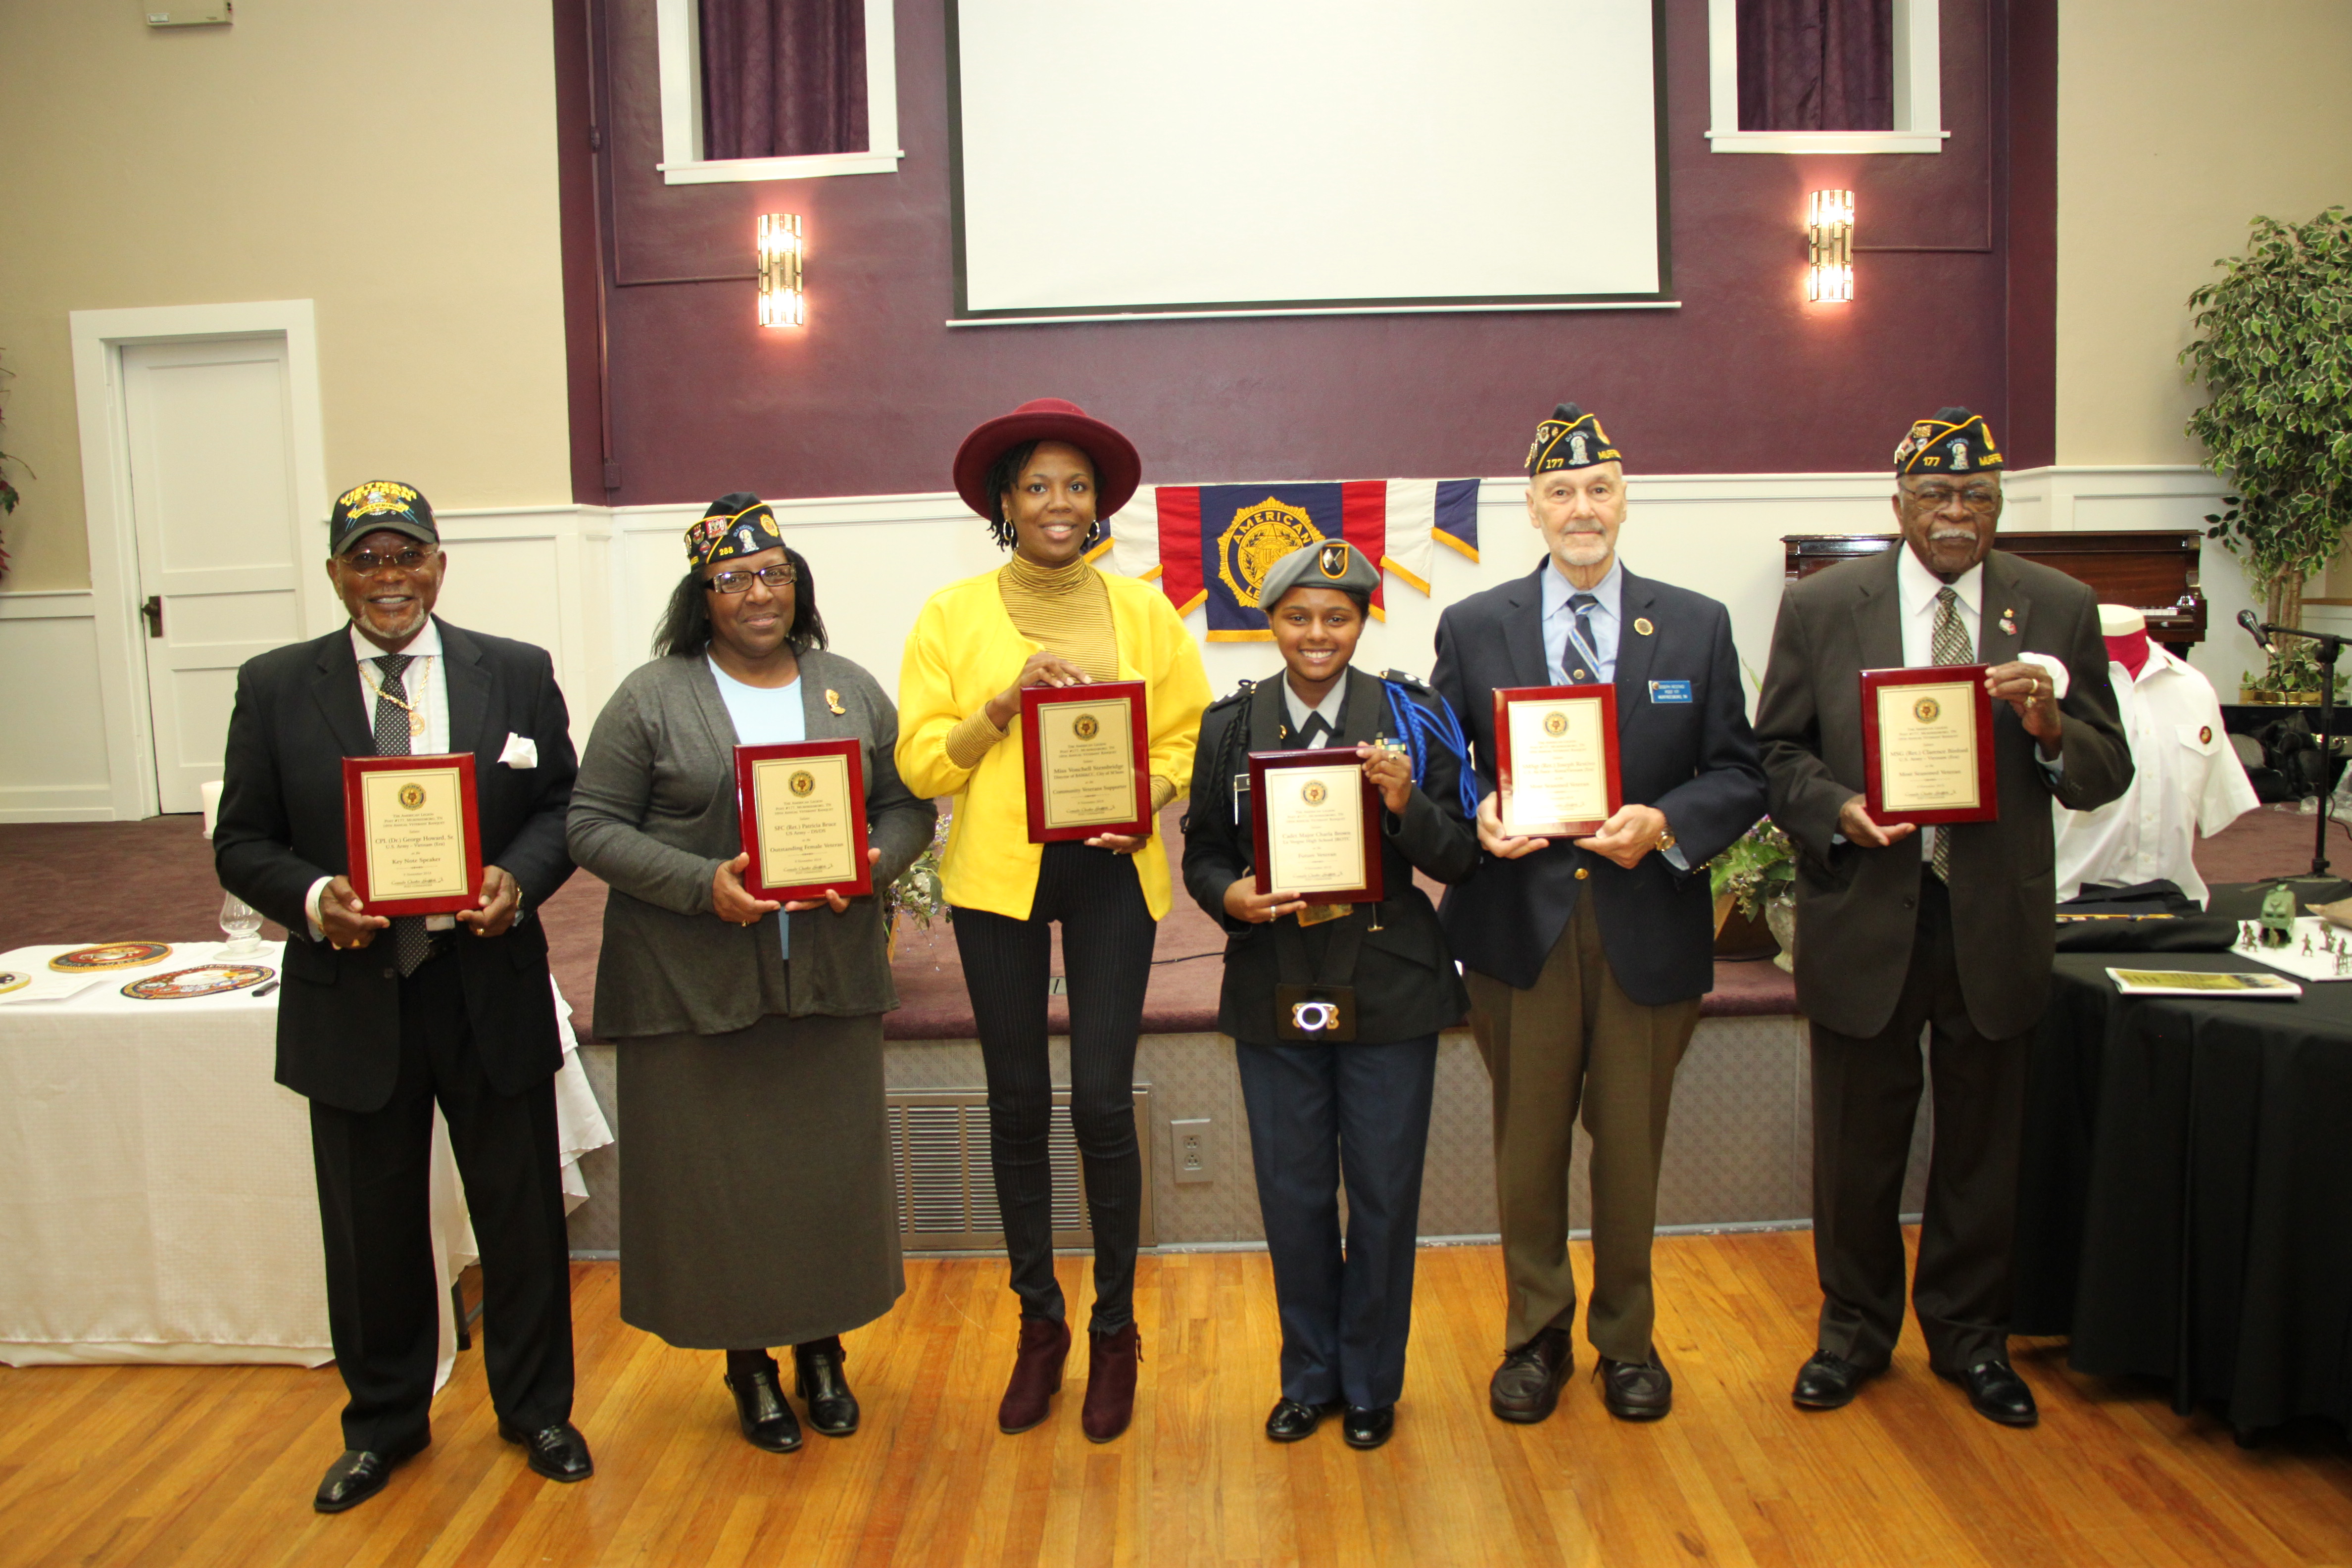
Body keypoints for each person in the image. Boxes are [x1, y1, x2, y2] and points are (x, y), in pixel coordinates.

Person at [214, 480, 591, 1512]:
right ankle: (383, 1424)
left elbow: (563, 803)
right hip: (350, 993)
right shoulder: (275, 686)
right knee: (369, 1228)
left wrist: (518, 879)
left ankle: (538, 1410)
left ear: (439, 565)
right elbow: (241, 839)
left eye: (407, 556)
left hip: (487, 983)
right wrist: (311, 898)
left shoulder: (514, 671)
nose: (391, 578)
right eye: (368, 559)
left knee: (521, 1217)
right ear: (336, 573)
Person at [1755, 408, 2132, 1425]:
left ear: (1998, 506)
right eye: (1935, 494)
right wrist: (1837, 809)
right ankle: (1852, 1333)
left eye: (1976, 495)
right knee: (1856, 1148)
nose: (1956, 512)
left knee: (1983, 1150)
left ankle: (1971, 1338)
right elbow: (1776, 753)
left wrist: (2050, 729)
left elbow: (2106, 766)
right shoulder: (1824, 605)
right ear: (1900, 504)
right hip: (1866, 910)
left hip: (1993, 920)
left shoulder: (2057, 605)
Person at [567, 494, 935, 1454]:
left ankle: (823, 1351)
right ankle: (748, 1365)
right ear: (702, 598)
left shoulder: (849, 687)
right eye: (732, 579)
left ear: (797, 586)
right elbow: (590, 826)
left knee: (823, 1180)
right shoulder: (651, 697)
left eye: (774, 574)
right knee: (720, 1190)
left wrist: (873, 865)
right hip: (694, 988)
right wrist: (703, 886)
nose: (758, 593)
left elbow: (906, 807)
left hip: (825, 984)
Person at [1432, 404, 1767, 1426]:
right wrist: (1476, 810)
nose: (1581, 507)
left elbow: (1739, 771)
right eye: (1560, 491)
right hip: (1519, 929)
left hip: (1646, 925)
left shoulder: (1698, 623)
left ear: (1624, 501)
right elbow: (1445, 767)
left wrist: (1666, 823)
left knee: (1630, 1152)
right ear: (1532, 508)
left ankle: (1626, 1339)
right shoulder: (1474, 625)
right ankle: (1535, 1336)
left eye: (1599, 488)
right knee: (1527, 1150)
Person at [897, 398, 1211, 1442]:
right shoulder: (950, 616)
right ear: (1005, 502)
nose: (1058, 502)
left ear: (1098, 503)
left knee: (1103, 1102)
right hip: (999, 882)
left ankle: (1116, 1329)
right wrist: (1001, 702)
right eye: (1037, 485)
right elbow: (920, 762)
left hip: (1112, 872)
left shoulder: (1145, 613)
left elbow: (1187, 737)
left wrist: (1149, 796)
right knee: (1018, 1101)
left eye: (1076, 485)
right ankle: (1040, 1324)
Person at [1180, 540, 1480, 1451]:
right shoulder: (1231, 725)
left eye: (1337, 616)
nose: (1318, 633)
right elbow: (1204, 852)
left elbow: (1461, 856)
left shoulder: (1412, 716)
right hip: (1274, 977)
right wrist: (1228, 897)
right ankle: (1309, 1378)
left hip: (1391, 985)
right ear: (1270, 622)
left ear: (1361, 622)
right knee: (1294, 1193)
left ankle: (1371, 1384)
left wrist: (1405, 805)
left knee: (1384, 1196)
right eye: (1298, 616)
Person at [2052, 605, 2257, 907]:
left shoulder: (2194, 688)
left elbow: (2216, 801)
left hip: (2175, 909)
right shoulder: (2050, 691)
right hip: (2067, 910)